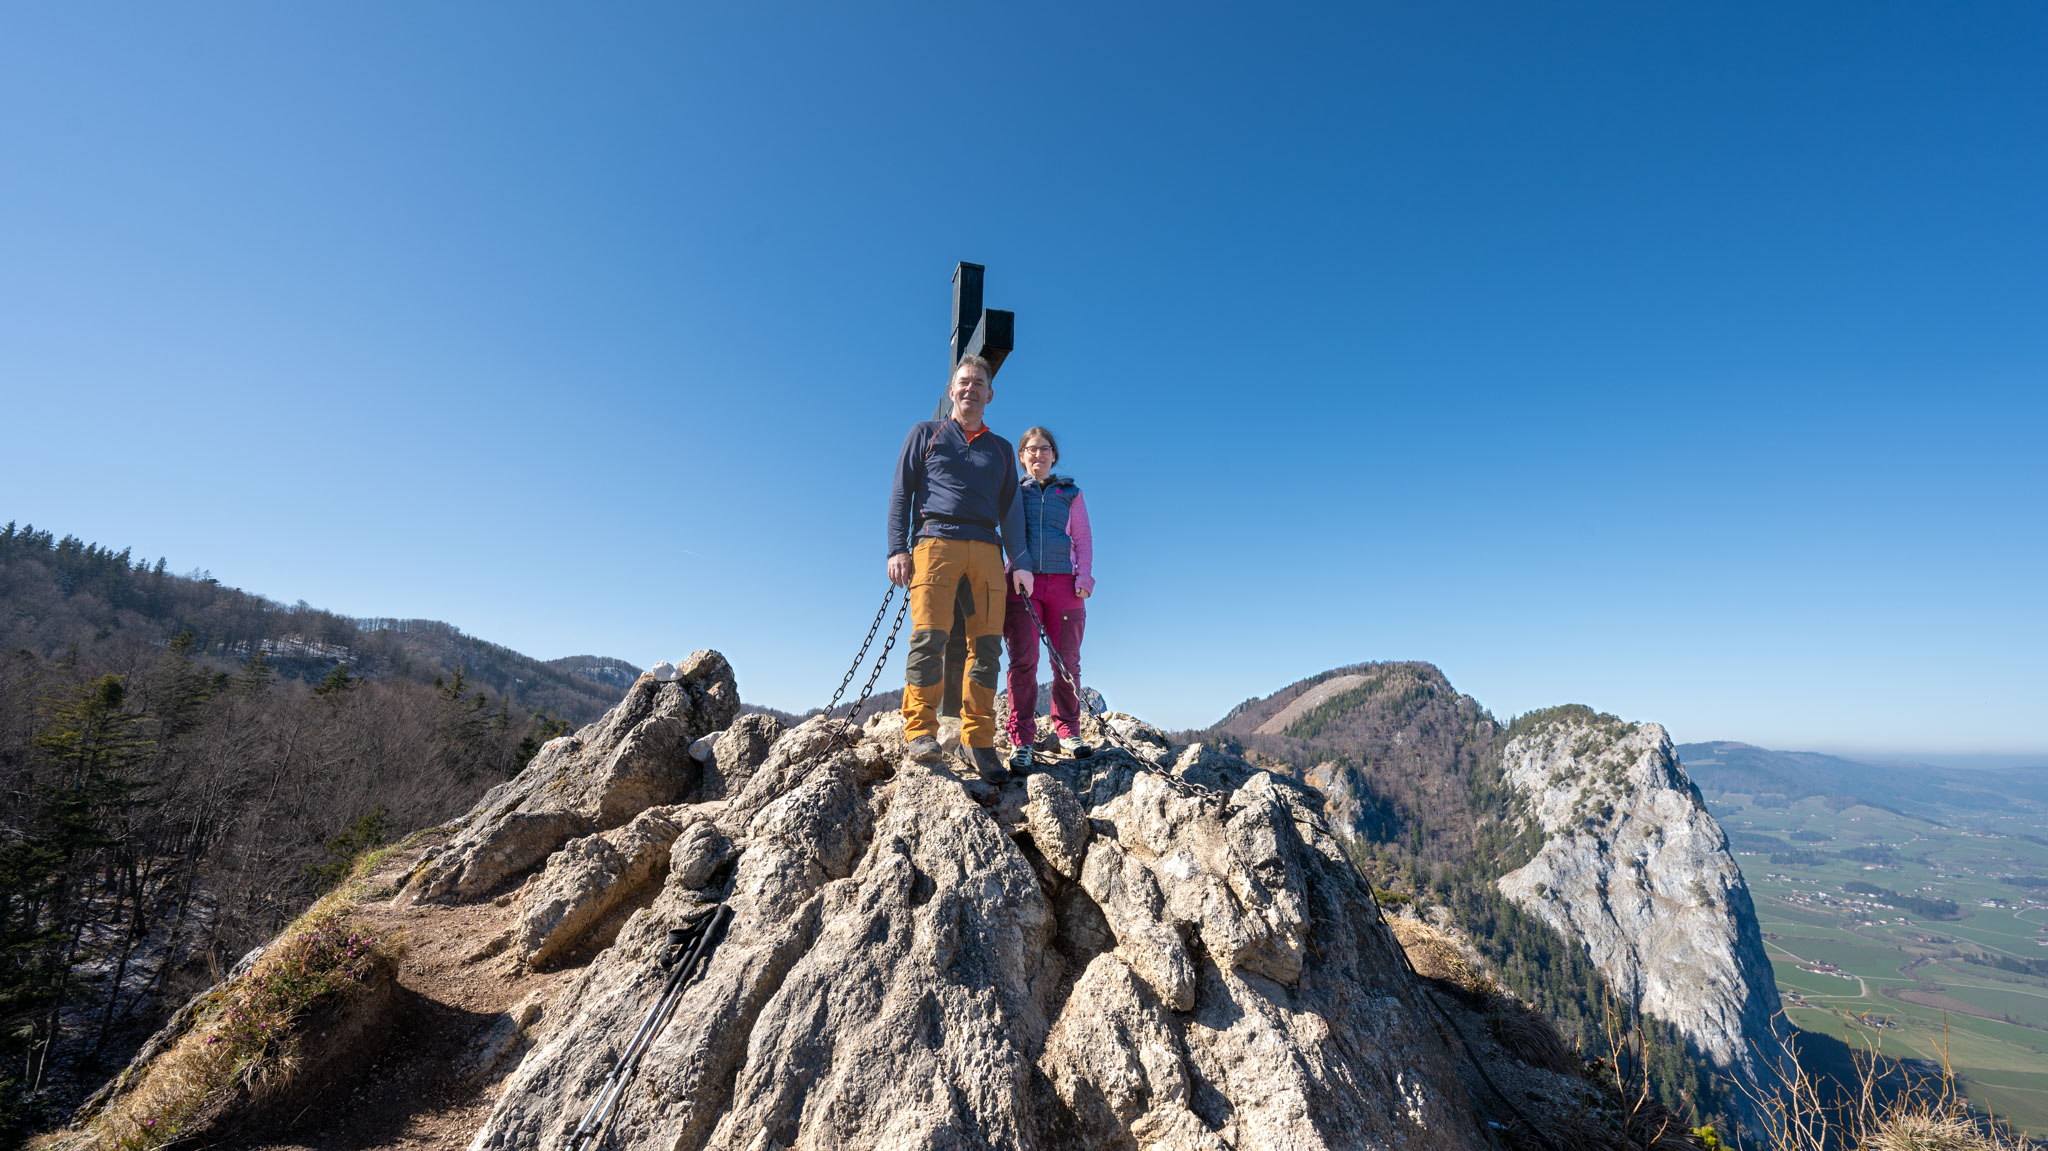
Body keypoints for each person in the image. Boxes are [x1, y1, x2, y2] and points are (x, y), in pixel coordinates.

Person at [886, 355, 1033, 780]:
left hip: (988, 548)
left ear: (991, 394)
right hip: (934, 542)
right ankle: (920, 732)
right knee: (929, 638)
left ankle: (979, 741)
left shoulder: (1003, 449)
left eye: (978, 383)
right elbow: (900, 493)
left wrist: (1020, 563)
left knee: (986, 647)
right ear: (952, 390)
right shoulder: (925, 434)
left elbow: (1012, 512)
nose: (970, 388)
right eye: (963, 382)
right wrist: (898, 549)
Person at [1002, 426, 1094, 771]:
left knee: (1067, 663)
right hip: (1021, 584)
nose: (1037, 455)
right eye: (1030, 449)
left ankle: (1069, 731)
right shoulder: (1011, 492)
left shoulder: (1070, 493)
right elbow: (1004, 533)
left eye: (1044, 449)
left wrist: (1084, 576)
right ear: (1021, 456)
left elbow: (1083, 538)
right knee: (1023, 662)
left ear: (1053, 455)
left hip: (1066, 587)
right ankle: (1021, 739)